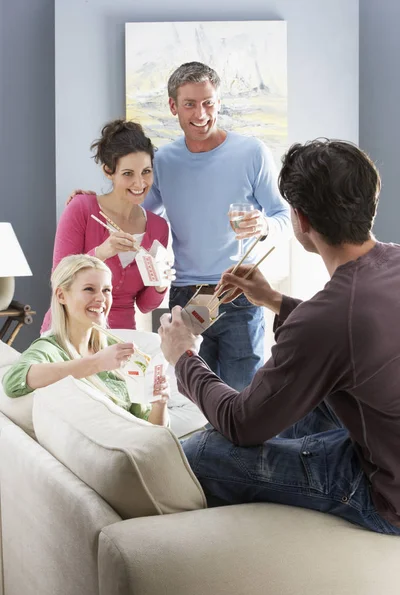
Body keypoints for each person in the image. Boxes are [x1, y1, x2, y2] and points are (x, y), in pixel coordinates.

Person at [158, 139, 400, 535]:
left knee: (205, 450)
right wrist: (272, 299)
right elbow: (350, 333)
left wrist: (183, 356)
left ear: (301, 220)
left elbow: (240, 423)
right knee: (304, 398)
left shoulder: (330, 316)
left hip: (387, 496)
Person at [141, 61, 290, 391]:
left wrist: (263, 224)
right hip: (185, 295)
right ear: (173, 106)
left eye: (208, 102)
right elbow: (136, 213)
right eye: (190, 104)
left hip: (239, 291)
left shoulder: (251, 152)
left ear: (218, 102)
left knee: (241, 398)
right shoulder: (163, 161)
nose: (201, 113)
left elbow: (283, 216)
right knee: (189, 398)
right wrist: (94, 200)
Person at [5, 254, 169, 426]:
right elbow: (14, 381)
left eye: (107, 290)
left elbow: (154, 429)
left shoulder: (114, 348)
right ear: (61, 295)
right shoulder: (50, 349)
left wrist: (160, 403)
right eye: (89, 289)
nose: (101, 298)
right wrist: (97, 363)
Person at [41, 119, 173, 333]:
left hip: (121, 340)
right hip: (70, 333)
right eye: (128, 174)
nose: (140, 184)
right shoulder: (82, 208)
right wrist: (102, 252)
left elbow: (144, 304)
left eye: (146, 172)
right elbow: (60, 280)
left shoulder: (158, 228)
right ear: (108, 171)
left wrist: (160, 283)